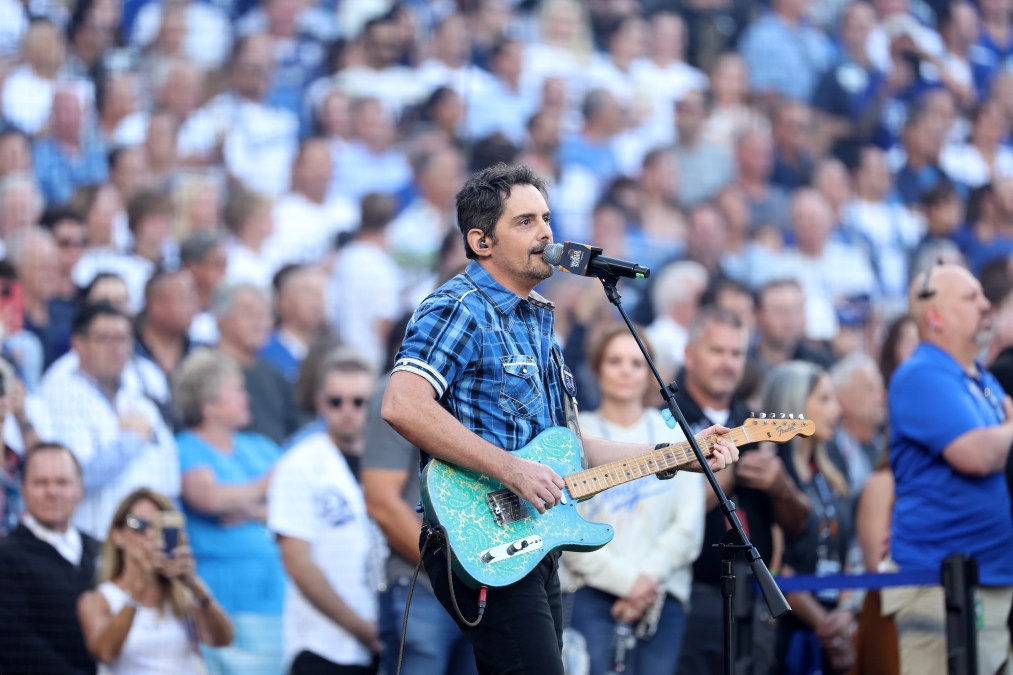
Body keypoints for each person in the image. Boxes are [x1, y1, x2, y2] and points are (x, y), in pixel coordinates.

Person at [380, 163, 738, 674]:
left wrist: (680, 456)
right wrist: (512, 469)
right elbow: (402, 403)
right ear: (481, 241)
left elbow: (572, 448)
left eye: (546, 218)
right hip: (482, 533)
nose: (546, 232)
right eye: (525, 221)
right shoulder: (458, 305)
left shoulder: (539, 317)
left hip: (535, 538)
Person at [883, 263, 1013, 675]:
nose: (986, 304)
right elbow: (976, 454)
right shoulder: (921, 374)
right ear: (935, 316)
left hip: (988, 580)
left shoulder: (982, 380)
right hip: (942, 587)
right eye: (971, 297)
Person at [561, 324, 703, 674]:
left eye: (637, 363)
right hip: (589, 593)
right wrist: (627, 584)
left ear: (650, 374)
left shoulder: (673, 433)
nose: (626, 370)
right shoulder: (574, 436)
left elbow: (688, 525)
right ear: (596, 369)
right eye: (615, 361)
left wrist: (646, 581)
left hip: (662, 594)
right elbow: (564, 523)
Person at [675, 306, 810, 675]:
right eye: (717, 351)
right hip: (692, 592)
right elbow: (665, 510)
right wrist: (729, 473)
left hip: (755, 591)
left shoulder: (759, 426)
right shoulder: (665, 422)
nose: (728, 363)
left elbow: (799, 525)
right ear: (689, 355)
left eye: (736, 353)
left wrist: (781, 487)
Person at [362, 324, 477, 675]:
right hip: (424, 586)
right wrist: (454, 565)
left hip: (484, 585)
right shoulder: (395, 393)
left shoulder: (480, 394)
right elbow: (381, 502)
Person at [268, 349, 385, 674]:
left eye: (359, 401)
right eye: (336, 401)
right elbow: (297, 561)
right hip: (321, 645)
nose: (347, 411)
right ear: (320, 402)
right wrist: (363, 629)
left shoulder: (391, 464)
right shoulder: (299, 463)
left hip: (386, 642)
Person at [173, 348, 285, 673]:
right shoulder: (186, 447)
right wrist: (265, 485)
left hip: (274, 598)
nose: (246, 397)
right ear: (208, 406)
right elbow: (210, 499)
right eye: (235, 390)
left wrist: (248, 509)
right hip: (221, 599)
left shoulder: (261, 446)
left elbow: (288, 503)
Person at [39, 303, 179, 538]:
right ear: (79, 344)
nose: (117, 348)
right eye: (105, 339)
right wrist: (130, 440)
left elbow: (168, 473)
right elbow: (79, 479)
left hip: (151, 534)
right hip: (98, 538)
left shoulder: (139, 396)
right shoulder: (61, 393)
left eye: (123, 339)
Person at [761, 361, 856, 675]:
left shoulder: (834, 469)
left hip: (832, 621)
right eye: (824, 399)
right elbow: (774, 563)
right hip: (785, 629)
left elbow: (846, 551)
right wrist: (823, 623)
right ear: (796, 404)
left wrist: (845, 611)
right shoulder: (773, 471)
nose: (837, 410)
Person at [77, 488, 234, 674]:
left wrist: (194, 585)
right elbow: (104, 652)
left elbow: (223, 639)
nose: (150, 535)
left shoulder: (181, 599)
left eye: (160, 527)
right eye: (139, 525)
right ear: (117, 536)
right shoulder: (99, 599)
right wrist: (138, 589)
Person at [0, 443, 101, 674]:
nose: (52, 492)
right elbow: (16, 645)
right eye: (41, 482)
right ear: (23, 489)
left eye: (62, 482)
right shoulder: (6, 556)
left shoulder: (101, 552)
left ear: (80, 489)